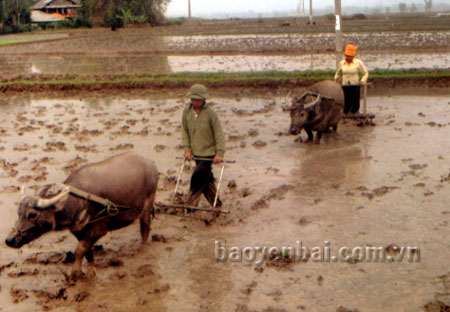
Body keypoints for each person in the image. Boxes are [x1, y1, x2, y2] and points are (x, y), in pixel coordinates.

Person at [181, 84, 226, 207]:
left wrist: (219, 153)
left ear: (204, 99)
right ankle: (217, 204)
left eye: (198, 100)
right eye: (193, 99)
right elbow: (184, 131)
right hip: (196, 152)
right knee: (206, 181)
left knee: (197, 177)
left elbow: (219, 133)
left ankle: (190, 203)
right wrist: (187, 150)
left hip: (209, 152)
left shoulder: (210, 113)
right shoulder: (187, 112)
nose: (195, 102)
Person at [334, 44, 369, 115]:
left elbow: (366, 73)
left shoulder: (358, 63)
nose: (348, 58)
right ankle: (345, 114)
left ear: (353, 56)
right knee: (346, 100)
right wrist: (336, 79)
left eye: (350, 56)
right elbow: (337, 73)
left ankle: (355, 113)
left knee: (355, 101)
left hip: (355, 84)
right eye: (347, 56)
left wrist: (362, 81)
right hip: (345, 84)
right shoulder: (341, 63)